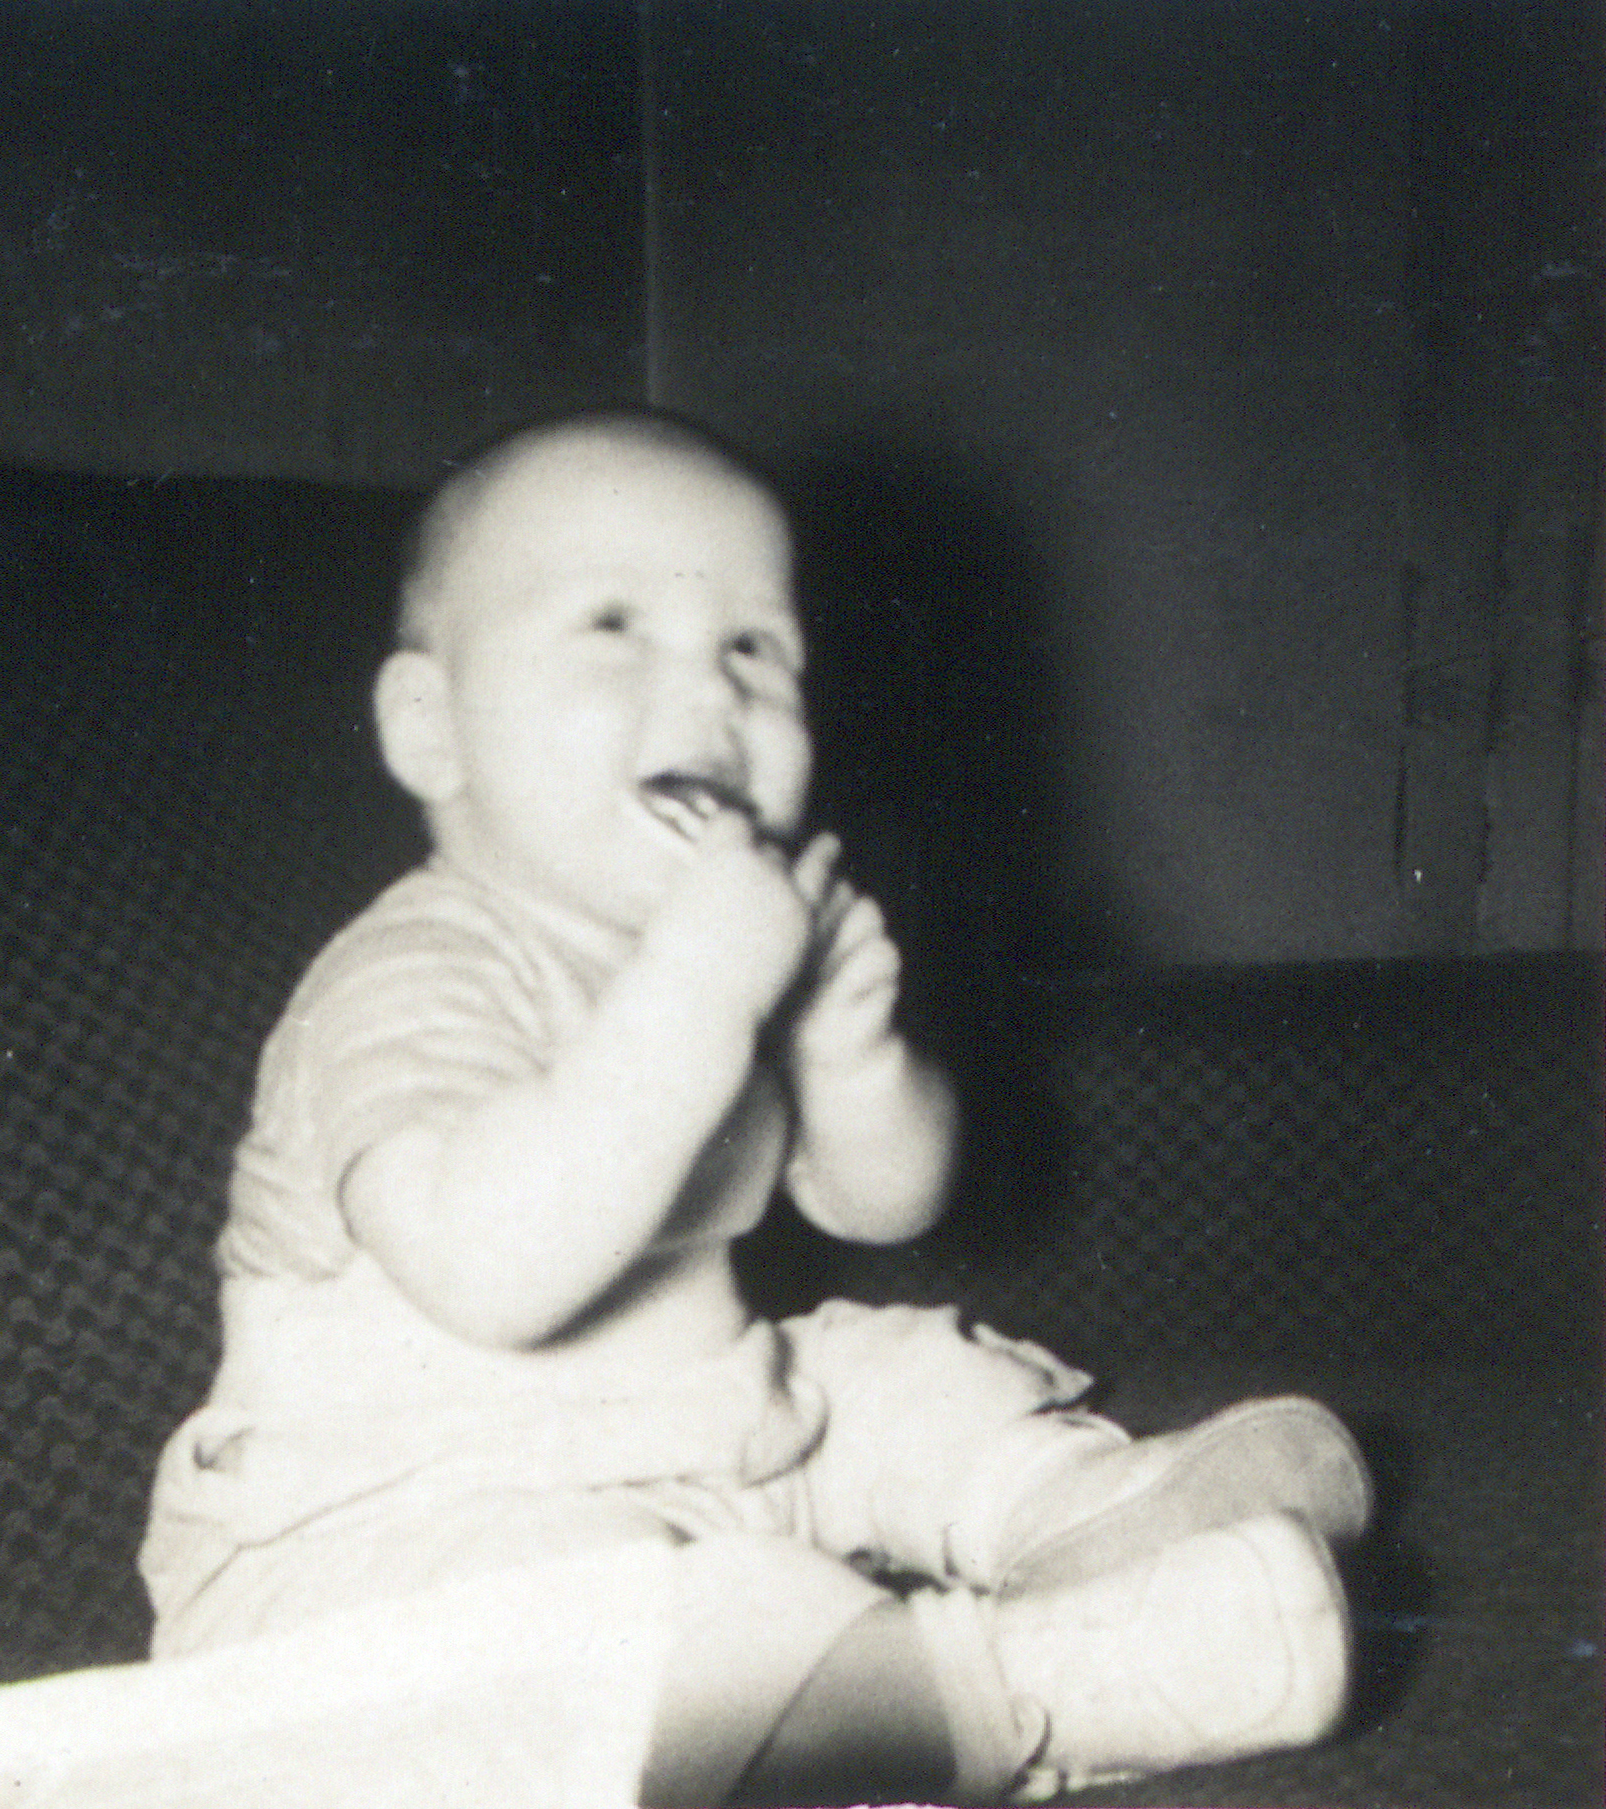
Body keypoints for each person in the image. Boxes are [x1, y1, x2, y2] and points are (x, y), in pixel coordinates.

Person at [140, 410, 1372, 1805]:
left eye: (754, 646)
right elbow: (490, 1269)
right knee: (614, 1643)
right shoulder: (413, 975)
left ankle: (1075, 1515)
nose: (709, 689)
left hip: (704, 1441)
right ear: (432, 728)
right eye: (613, 625)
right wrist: (704, 987)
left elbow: (884, 1202)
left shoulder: (730, 948)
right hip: (387, 1546)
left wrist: (852, 1056)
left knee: (884, 1371)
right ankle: (1027, 1688)